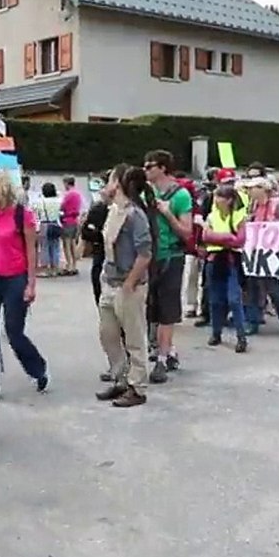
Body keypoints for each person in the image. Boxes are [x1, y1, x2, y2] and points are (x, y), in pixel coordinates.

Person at [0, 169, 49, 399]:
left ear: (3, 188)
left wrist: (31, 284)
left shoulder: (22, 215)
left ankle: (38, 369)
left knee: (14, 332)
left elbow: (31, 251)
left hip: (16, 279)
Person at [95, 165, 155, 407]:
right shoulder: (114, 211)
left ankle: (137, 387)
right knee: (107, 334)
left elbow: (145, 253)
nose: (105, 185)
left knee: (134, 338)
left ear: (118, 184)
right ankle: (121, 377)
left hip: (128, 285)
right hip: (110, 281)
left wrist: (130, 283)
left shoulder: (134, 215)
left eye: (109, 180)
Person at [143, 149, 193, 380]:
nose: (145, 170)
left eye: (149, 166)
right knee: (151, 308)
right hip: (150, 257)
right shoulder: (146, 192)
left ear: (162, 168)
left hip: (171, 256)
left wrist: (167, 213)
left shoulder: (180, 195)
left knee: (167, 311)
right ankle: (167, 350)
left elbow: (186, 232)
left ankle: (162, 359)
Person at [242, 177, 279, 336]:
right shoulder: (254, 205)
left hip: (272, 254)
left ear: (262, 189)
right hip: (256, 253)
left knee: (273, 289)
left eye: (253, 188)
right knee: (252, 288)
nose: (250, 192)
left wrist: (276, 229)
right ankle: (252, 321)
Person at [200, 184, 249, 353]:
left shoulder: (238, 216)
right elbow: (205, 236)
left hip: (231, 261)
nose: (216, 200)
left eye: (220, 197)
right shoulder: (212, 216)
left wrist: (217, 238)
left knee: (234, 299)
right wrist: (228, 237)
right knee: (215, 300)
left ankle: (241, 337)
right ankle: (216, 333)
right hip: (214, 260)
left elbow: (240, 240)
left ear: (229, 200)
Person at [81, 183, 111, 304]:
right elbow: (86, 231)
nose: (102, 191)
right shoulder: (97, 209)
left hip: (115, 254)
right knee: (97, 278)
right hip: (99, 249)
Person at [34, 182, 65, 276]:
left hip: (44, 224)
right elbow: (62, 212)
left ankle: (45, 269)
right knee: (55, 246)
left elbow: (35, 212)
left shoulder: (40, 202)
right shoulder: (59, 201)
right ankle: (55, 268)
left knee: (44, 247)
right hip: (56, 224)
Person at [59, 176, 85, 276]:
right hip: (75, 220)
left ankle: (69, 265)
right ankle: (74, 265)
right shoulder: (78, 194)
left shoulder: (68, 194)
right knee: (73, 243)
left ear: (67, 183)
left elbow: (62, 206)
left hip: (67, 220)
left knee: (67, 244)